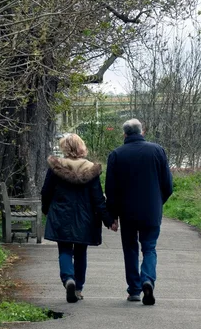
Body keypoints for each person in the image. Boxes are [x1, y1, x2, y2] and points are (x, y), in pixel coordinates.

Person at [105, 119, 173, 305]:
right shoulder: (157, 151)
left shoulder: (116, 155)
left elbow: (111, 189)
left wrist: (112, 216)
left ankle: (134, 290)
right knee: (149, 248)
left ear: (124, 134)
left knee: (130, 249)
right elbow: (168, 185)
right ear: (142, 132)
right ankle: (147, 280)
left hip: (127, 213)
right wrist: (159, 202)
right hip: (151, 210)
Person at [41, 133, 114, 303]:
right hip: (85, 217)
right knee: (81, 252)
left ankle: (68, 279)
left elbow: (46, 191)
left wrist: (46, 209)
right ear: (81, 147)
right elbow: (98, 198)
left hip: (61, 214)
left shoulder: (56, 168)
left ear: (65, 148)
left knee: (64, 249)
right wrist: (108, 219)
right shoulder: (91, 169)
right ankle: (78, 288)